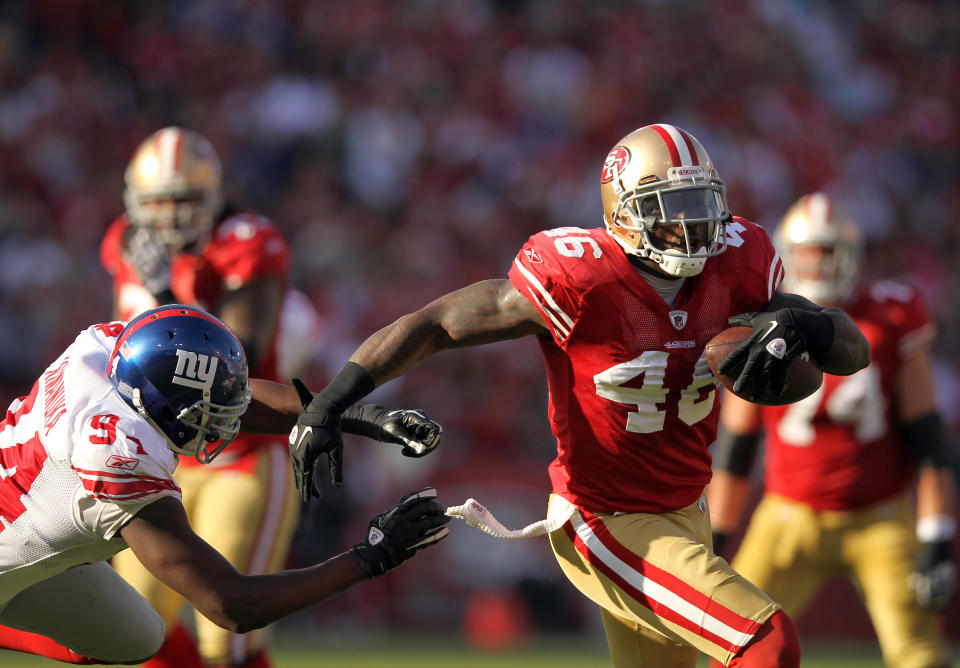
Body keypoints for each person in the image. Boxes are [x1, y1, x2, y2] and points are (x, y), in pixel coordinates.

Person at [287, 124, 872, 667]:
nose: (693, 226)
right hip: (605, 519)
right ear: (623, 212)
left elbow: (851, 350)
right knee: (768, 641)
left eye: (700, 205)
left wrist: (810, 326)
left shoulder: (739, 267)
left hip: (686, 511)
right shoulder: (581, 277)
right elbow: (438, 324)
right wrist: (331, 399)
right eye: (669, 210)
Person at [0, 304, 449, 666]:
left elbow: (234, 395)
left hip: (23, 510)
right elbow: (231, 605)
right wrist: (373, 555)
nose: (227, 424)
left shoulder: (110, 352)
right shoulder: (117, 458)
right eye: (210, 413)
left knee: (134, 637)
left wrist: (353, 414)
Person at [99, 126, 320, 668]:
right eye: (159, 202)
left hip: (240, 455)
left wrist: (166, 295)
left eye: (185, 200)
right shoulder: (124, 245)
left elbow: (234, 355)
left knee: (228, 636)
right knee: (134, 628)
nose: (171, 216)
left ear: (214, 197)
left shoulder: (246, 242)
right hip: (160, 457)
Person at [707, 193, 956, 668]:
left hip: (880, 517)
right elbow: (737, 450)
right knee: (734, 647)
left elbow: (927, 440)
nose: (817, 265)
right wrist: (716, 538)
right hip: (788, 516)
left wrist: (937, 535)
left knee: (919, 656)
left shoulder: (892, 316)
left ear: (850, 256)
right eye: (807, 253)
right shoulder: (761, 320)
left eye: (827, 252)